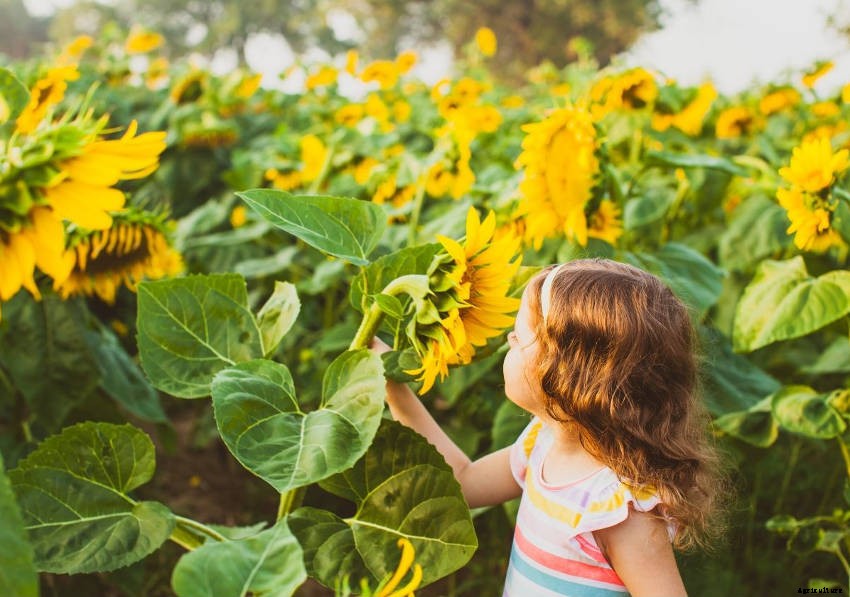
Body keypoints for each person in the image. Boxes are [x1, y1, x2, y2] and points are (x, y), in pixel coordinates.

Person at [371, 258, 726, 597]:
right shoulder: (540, 445)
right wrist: (392, 386)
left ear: (571, 376)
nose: (508, 342)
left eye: (519, 338)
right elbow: (462, 482)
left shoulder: (616, 510)